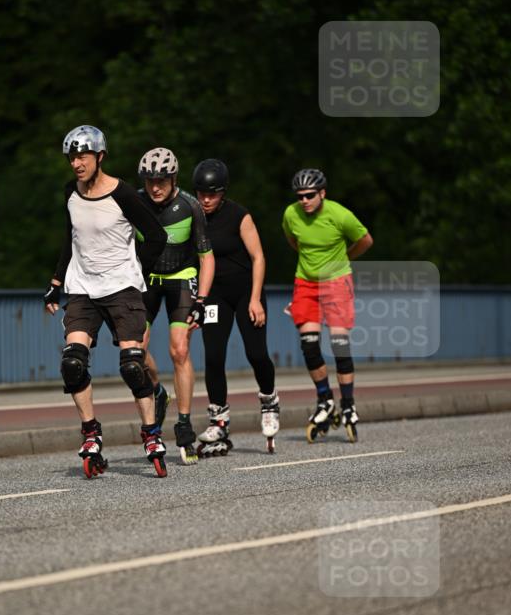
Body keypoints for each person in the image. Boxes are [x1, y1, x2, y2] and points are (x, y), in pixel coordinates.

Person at [43, 125, 169, 478]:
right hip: (82, 288)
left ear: (100, 157)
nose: (76, 164)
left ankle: (152, 434)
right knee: (72, 363)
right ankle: (91, 434)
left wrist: (134, 269)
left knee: (131, 365)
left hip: (122, 288)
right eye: (71, 157)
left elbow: (156, 237)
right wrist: (56, 283)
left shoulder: (125, 194)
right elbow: (70, 240)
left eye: (82, 156)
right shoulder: (71, 193)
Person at [192, 158, 279, 456]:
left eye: (212, 194)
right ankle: (219, 419)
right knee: (214, 356)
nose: (206, 199)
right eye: (201, 193)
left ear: (223, 192)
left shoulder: (239, 216)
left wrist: (255, 299)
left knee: (256, 353)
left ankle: (269, 401)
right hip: (214, 295)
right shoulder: (194, 216)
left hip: (245, 292)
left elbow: (259, 257)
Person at [282, 167, 373, 443]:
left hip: (336, 281)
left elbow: (365, 240)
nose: (304, 200)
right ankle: (325, 400)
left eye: (310, 195)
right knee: (309, 344)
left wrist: (342, 259)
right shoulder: (291, 214)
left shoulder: (340, 215)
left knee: (339, 344)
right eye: (300, 196)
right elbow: (293, 241)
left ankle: (348, 404)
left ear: (322, 193)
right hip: (306, 283)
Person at [137, 147, 215, 464]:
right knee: (134, 352)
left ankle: (183, 424)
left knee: (179, 349)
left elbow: (206, 257)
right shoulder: (135, 202)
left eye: (162, 180)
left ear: (173, 179)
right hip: (145, 281)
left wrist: (201, 300)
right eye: (149, 180)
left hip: (182, 279)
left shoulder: (190, 206)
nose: (155, 187)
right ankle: (158, 393)